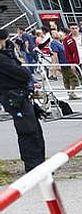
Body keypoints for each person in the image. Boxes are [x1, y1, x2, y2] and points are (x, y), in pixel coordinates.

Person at [0, 28, 45, 172]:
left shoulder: (6, 54)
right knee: (28, 131)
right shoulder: (2, 59)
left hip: (19, 95)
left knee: (34, 129)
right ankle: (33, 166)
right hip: (14, 96)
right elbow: (21, 74)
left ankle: (38, 163)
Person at [63, 23, 82, 100]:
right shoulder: (67, 40)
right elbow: (68, 53)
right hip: (75, 60)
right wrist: (71, 63)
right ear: (70, 29)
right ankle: (71, 92)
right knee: (73, 77)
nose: (74, 30)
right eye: (72, 28)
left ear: (78, 28)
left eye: (76, 28)